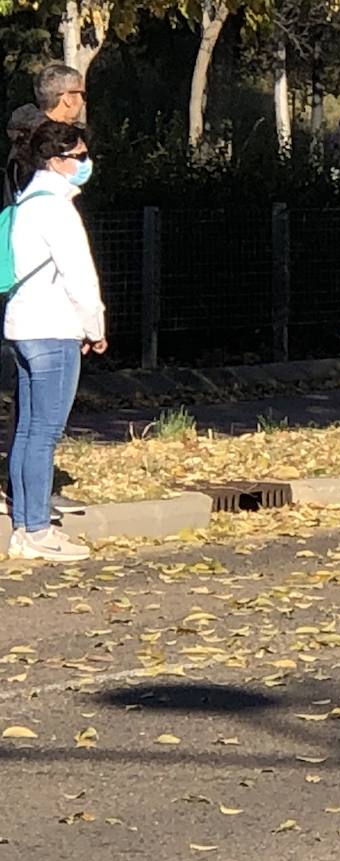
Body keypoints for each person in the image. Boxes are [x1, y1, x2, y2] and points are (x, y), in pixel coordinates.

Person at [4, 119, 106, 562]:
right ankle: (38, 531)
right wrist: (94, 327)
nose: (86, 164)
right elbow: (79, 276)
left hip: (22, 327)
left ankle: (25, 527)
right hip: (55, 328)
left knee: (26, 430)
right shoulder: (59, 209)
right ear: (57, 160)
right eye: (79, 157)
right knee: (45, 433)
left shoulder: (26, 202)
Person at [4, 63, 90, 520]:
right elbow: (76, 267)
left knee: (29, 422)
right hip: (46, 310)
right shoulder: (42, 150)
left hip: (22, 303)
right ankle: (33, 515)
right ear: (66, 96)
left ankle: (29, 504)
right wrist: (92, 321)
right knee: (40, 425)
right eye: (80, 92)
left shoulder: (29, 146)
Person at [4, 64, 86, 207]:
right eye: (82, 94)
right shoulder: (46, 143)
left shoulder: (26, 133)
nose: (83, 101)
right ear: (68, 98)